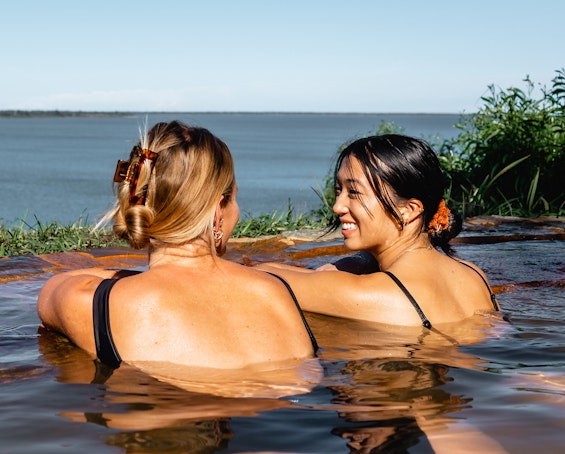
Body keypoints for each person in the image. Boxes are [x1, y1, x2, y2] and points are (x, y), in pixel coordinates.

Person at [37, 120, 319, 373]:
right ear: (217, 211)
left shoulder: (96, 305)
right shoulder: (277, 291)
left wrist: (135, 279)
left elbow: (53, 291)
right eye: (234, 199)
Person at [258, 134, 499, 328]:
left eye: (353, 193)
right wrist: (364, 259)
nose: (337, 206)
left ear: (409, 209)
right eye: (339, 190)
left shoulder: (371, 292)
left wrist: (344, 265)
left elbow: (260, 277)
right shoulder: (474, 275)